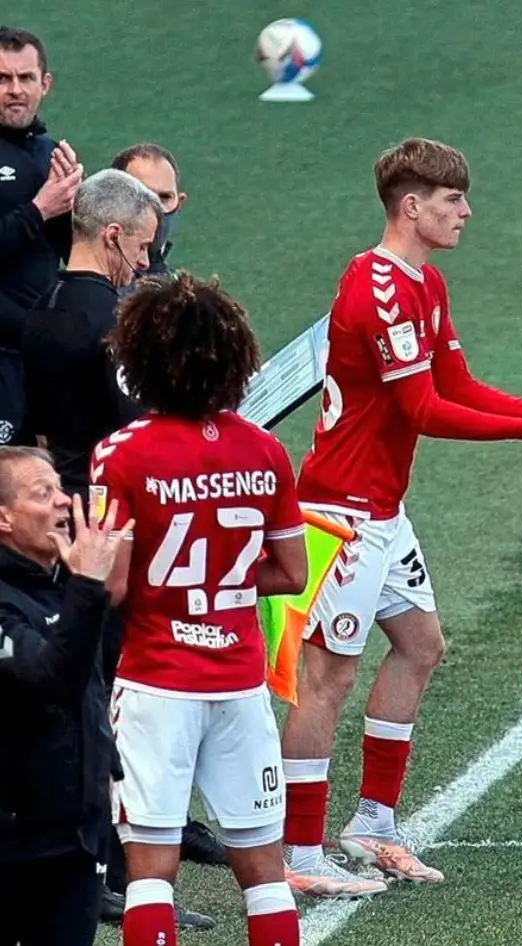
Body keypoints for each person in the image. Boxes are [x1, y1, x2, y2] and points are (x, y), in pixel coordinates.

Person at [281, 136, 522, 897]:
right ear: (412, 206)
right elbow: (425, 410)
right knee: (328, 678)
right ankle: (297, 854)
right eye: (452, 200)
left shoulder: (424, 283)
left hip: (382, 510)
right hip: (341, 515)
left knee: (419, 644)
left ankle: (373, 826)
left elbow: (456, 380)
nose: (467, 212)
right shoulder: (375, 288)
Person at [92, 274, 308, 945]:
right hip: (238, 679)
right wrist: (227, 587)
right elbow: (292, 571)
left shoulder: (122, 454)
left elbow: (113, 584)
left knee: (151, 872)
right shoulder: (263, 450)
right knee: (265, 872)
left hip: (157, 680)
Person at [107, 144, 230, 874]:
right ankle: (130, 832)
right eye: (147, 199)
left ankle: (170, 816)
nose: (160, 211)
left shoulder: (163, 284)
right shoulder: (108, 293)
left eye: (169, 199)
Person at [0, 448, 131, 946]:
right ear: (4, 519)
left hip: (78, 832)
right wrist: (89, 585)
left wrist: (105, 769)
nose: (63, 502)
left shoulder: (62, 583)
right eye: (43, 493)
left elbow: (89, 689)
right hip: (14, 841)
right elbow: (51, 682)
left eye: (60, 488)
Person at [21, 168, 155, 495]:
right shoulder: (119, 322)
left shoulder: (39, 311)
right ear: (112, 236)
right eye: (142, 246)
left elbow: (40, 434)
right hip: (111, 502)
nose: (145, 262)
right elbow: (139, 431)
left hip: (63, 499)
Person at [0, 26, 81, 445]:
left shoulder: (49, 152)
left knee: (49, 482)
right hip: (1, 362)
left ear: (44, 84)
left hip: (42, 357)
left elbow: (68, 253)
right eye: (3, 78)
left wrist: (77, 212)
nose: (15, 89)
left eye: (25, 78)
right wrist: (40, 208)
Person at [111, 143, 185, 283]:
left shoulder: (185, 295)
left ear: (180, 203)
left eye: (165, 197)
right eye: (143, 196)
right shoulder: (83, 291)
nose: (156, 209)